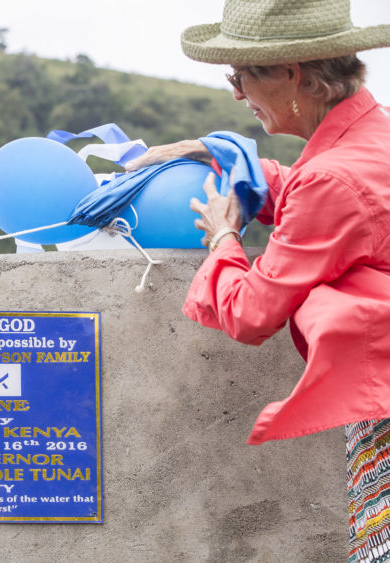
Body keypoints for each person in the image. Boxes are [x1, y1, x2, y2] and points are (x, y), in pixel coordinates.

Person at [123, 0, 390, 559]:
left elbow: (249, 312)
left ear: (293, 74)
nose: (237, 95)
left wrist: (223, 236)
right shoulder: (372, 136)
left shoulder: (332, 180)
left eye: (240, 77)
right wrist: (220, 152)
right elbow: (321, 192)